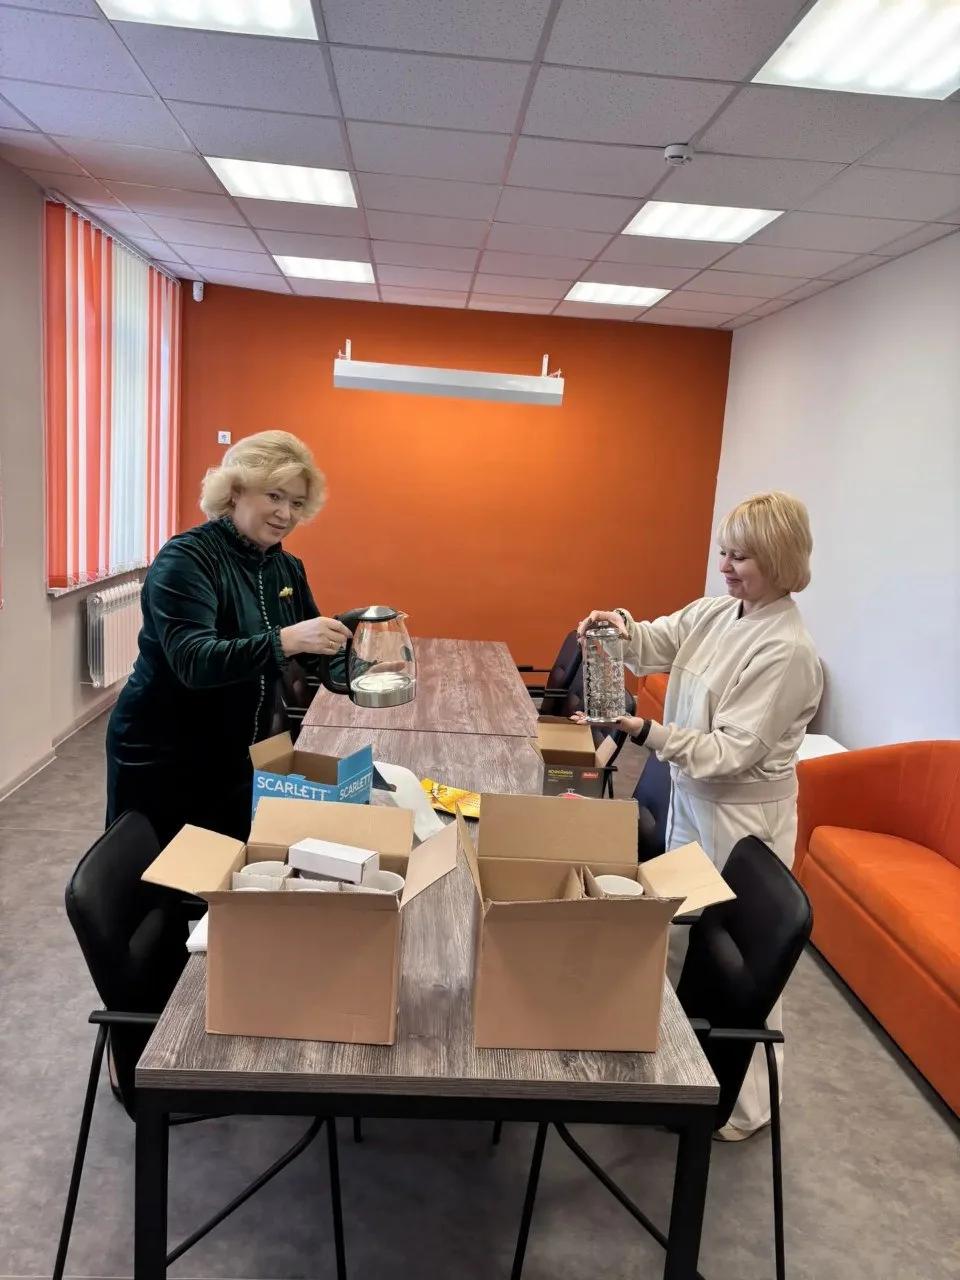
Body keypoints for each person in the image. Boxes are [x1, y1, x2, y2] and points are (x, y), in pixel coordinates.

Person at [578, 491, 822, 1141]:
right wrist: (618, 628)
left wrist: (646, 732)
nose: (725, 566)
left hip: (741, 822)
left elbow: (730, 753)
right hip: (694, 801)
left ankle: (743, 1107)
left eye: (740, 557)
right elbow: (656, 639)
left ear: (778, 559)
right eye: (724, 552)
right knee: (687, 938)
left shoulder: (787, 651)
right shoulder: (719, 612)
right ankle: (681, 1070)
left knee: (743, 970)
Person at [106, 430, 353, 848]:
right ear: (235, 491)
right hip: (166, 752)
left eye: (296, 503)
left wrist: (363, 673)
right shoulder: (188, 558)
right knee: (161, 873)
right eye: (274, 495)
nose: (285, 514)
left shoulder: (286, 567)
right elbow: (194, 661)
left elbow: (316, 653)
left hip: (241, 750)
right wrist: (285, 640)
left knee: (224, 863)